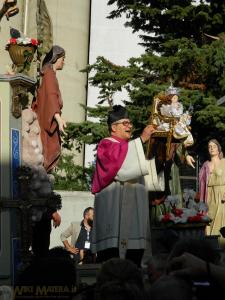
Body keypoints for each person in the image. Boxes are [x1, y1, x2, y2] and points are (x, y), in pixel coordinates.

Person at [91, 104, 160, 267]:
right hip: (113, 217)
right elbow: (120, 167)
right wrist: (142, 139)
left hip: (134, 217)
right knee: (113, 264)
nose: (130, 126)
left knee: (134, 259)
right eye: (125, 123)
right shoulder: (106, 144)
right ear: (113, 127)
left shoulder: (130, 148)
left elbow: (145, 172)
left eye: (130, 123)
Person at [32, 45, 67, 173]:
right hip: (48, 117)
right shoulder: (50, 75)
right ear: (56, 58)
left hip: (47, 116)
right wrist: (58, 118)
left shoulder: (49, 74)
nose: (64, 61)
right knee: (47, 149)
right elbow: (52, 96)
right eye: (63, 58)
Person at [199, 139, 225, 247]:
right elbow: (202, 183)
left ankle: (221, 246)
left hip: (222, 196)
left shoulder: (224, 162)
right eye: (209, 146)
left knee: (221, 222)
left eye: (214, 146)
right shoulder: (206, 165)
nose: (211, 148)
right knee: (209, 221)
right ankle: (212, 248)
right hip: (209, 197)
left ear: (219, 149)